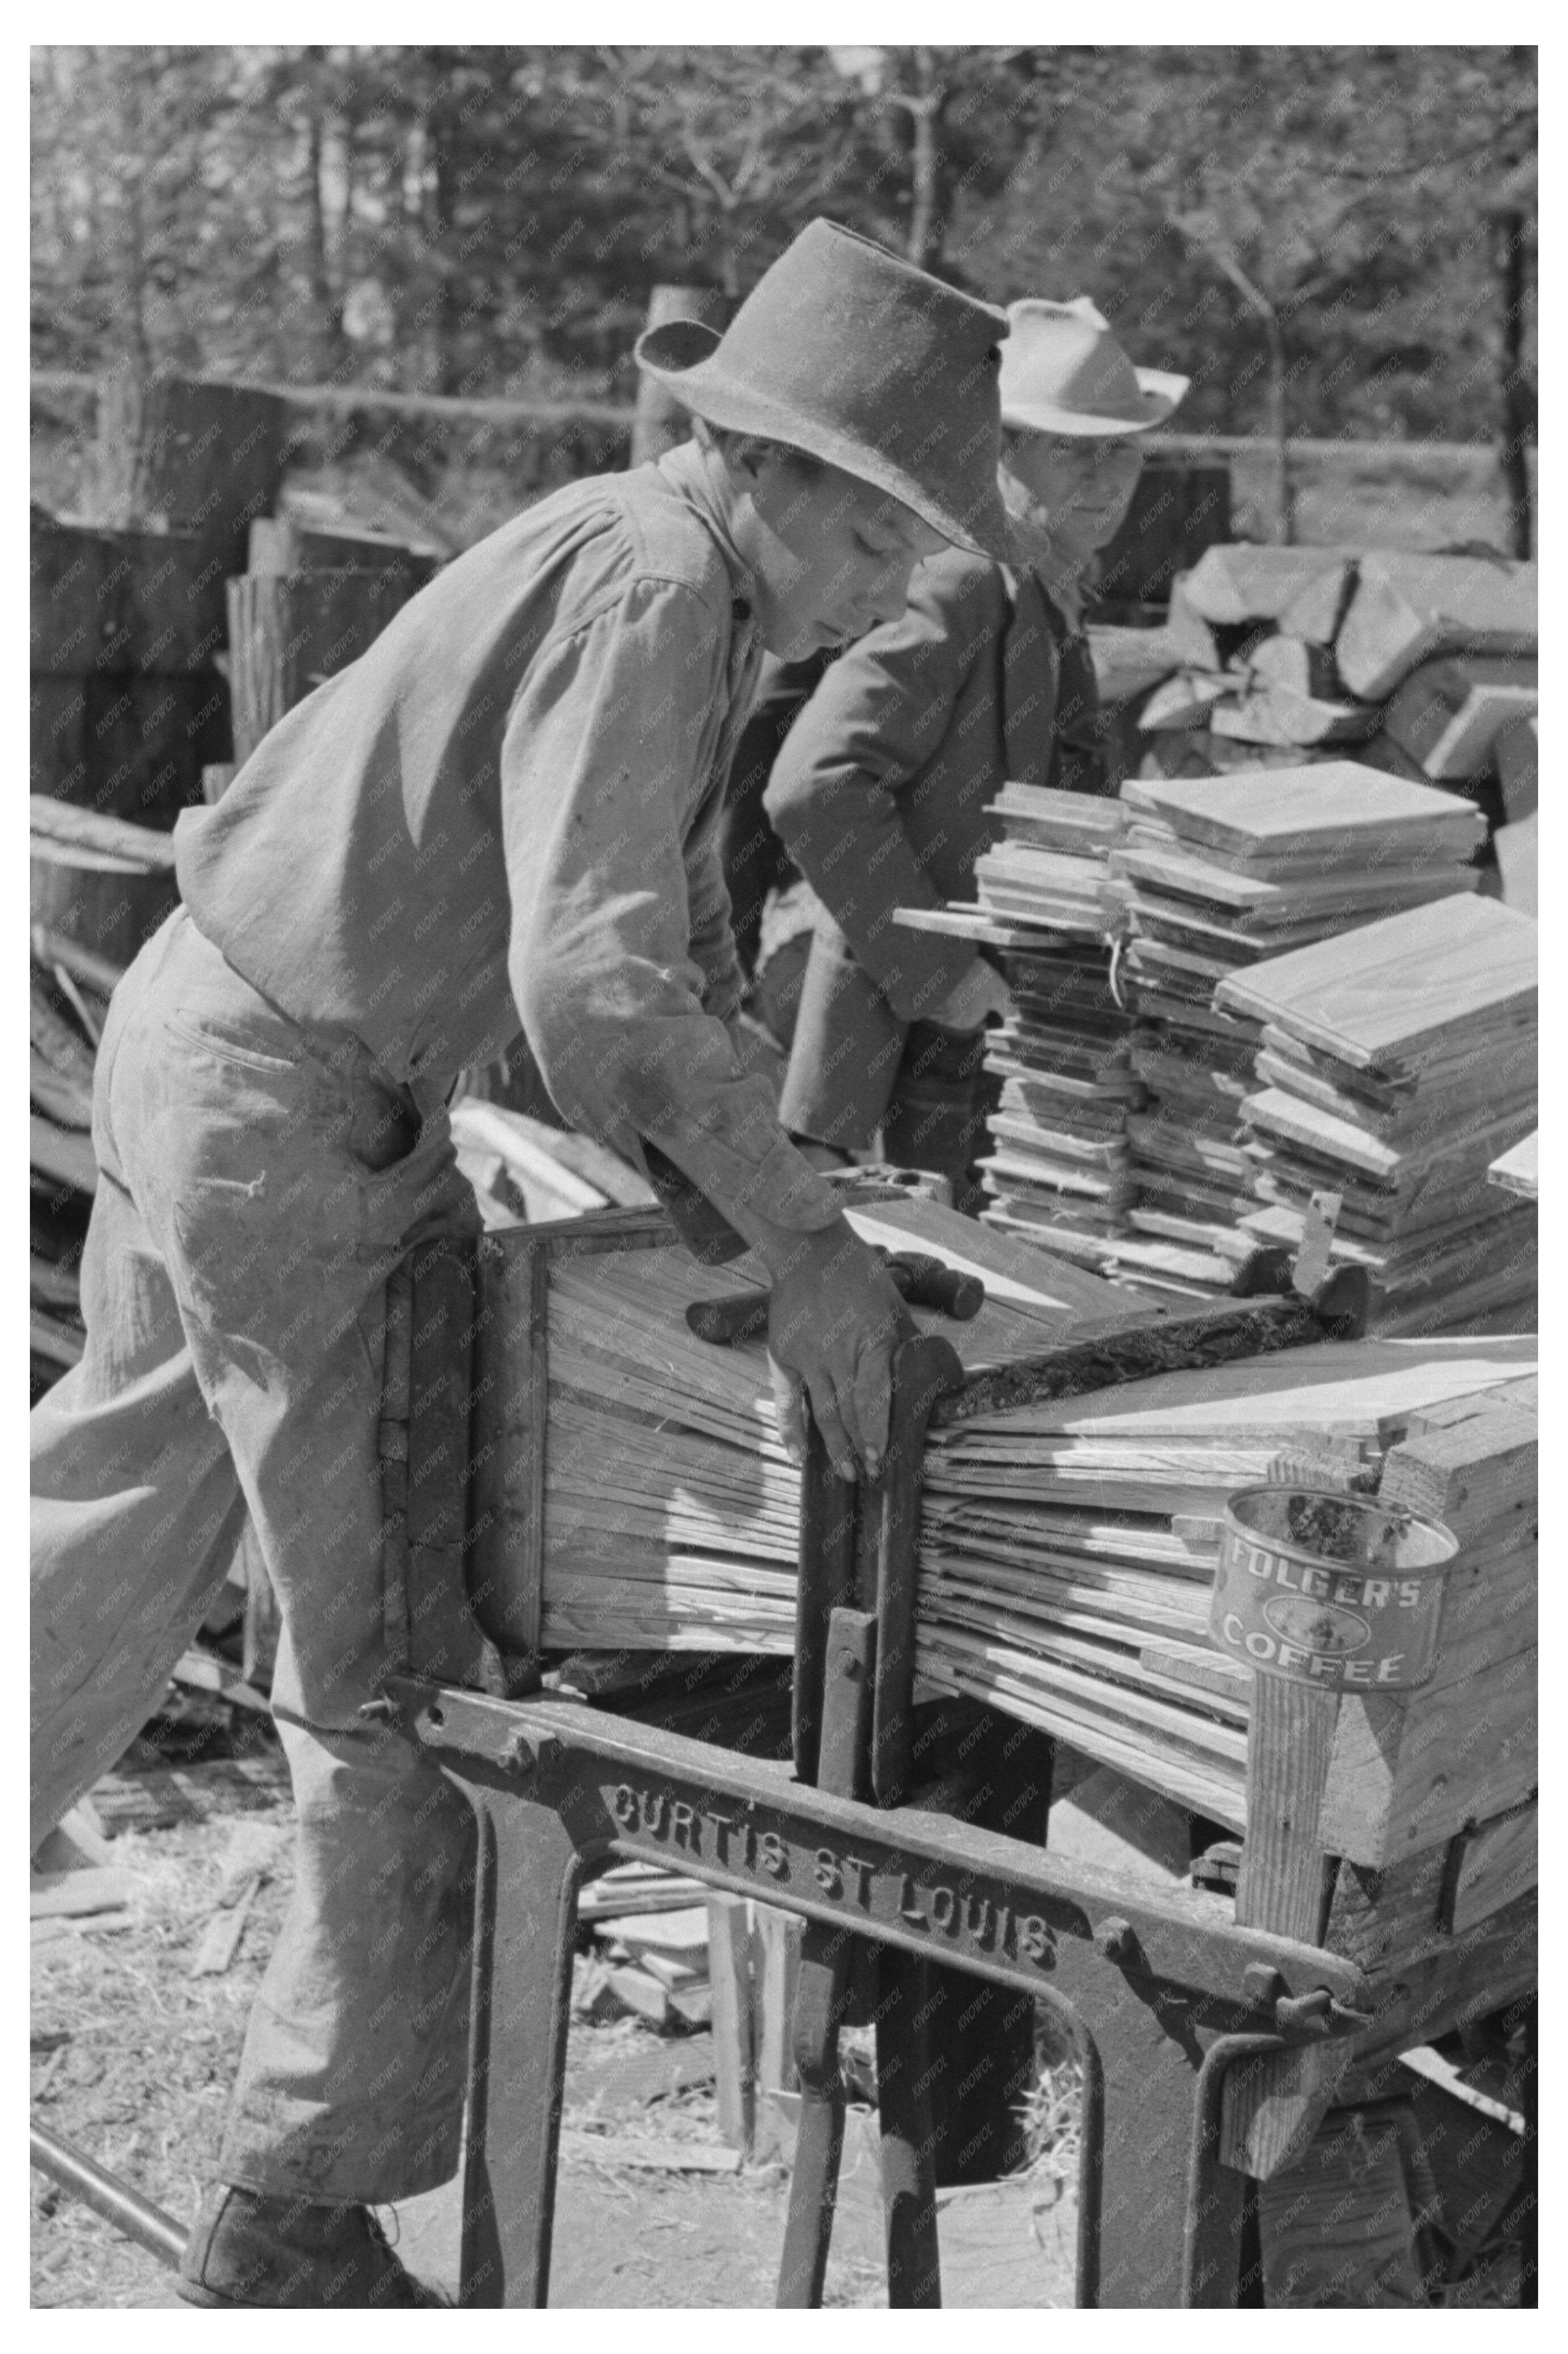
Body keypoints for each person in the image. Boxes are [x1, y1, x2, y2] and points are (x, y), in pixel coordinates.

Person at [29, 219, 1014, 2308]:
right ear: (793, 479)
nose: (877, 599)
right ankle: (292, 2213)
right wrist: (815, 1260)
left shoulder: (638, 552)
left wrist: (754, 1186)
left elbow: (666, 937)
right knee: (395, 1680)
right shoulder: (658, 584)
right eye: (878, 543)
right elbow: (598, 991)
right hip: (291, 1111)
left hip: (205, 1034)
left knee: (105, 1506)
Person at [762, 297, 1188, 1209]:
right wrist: (942, 978)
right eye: (1074, 448)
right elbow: (815, 785)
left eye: (1121, 448)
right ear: (1003, 453)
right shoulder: (960, 583)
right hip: (903, 1050)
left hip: (983, 1035)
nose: (1106, 477)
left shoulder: (1048, 588)